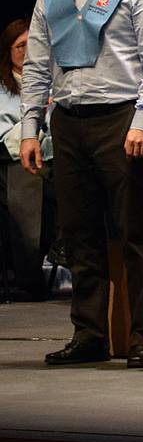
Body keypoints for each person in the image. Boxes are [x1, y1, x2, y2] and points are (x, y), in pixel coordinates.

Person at [19, 0, 143, 367]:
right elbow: (36, 67)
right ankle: (89, 335)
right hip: (68, 122)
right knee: (79, 236)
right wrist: (29, 129)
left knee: (135, 234)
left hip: (120, 120)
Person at [2, 19, 55, 301]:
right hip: (11, 164)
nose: (26, 51)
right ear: (8, 51)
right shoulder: (3, 88)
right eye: (20, 46)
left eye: (31, 45)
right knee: (29, 173)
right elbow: (7, 137)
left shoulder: (52, 83)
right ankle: (28, 271)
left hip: (52, 160)